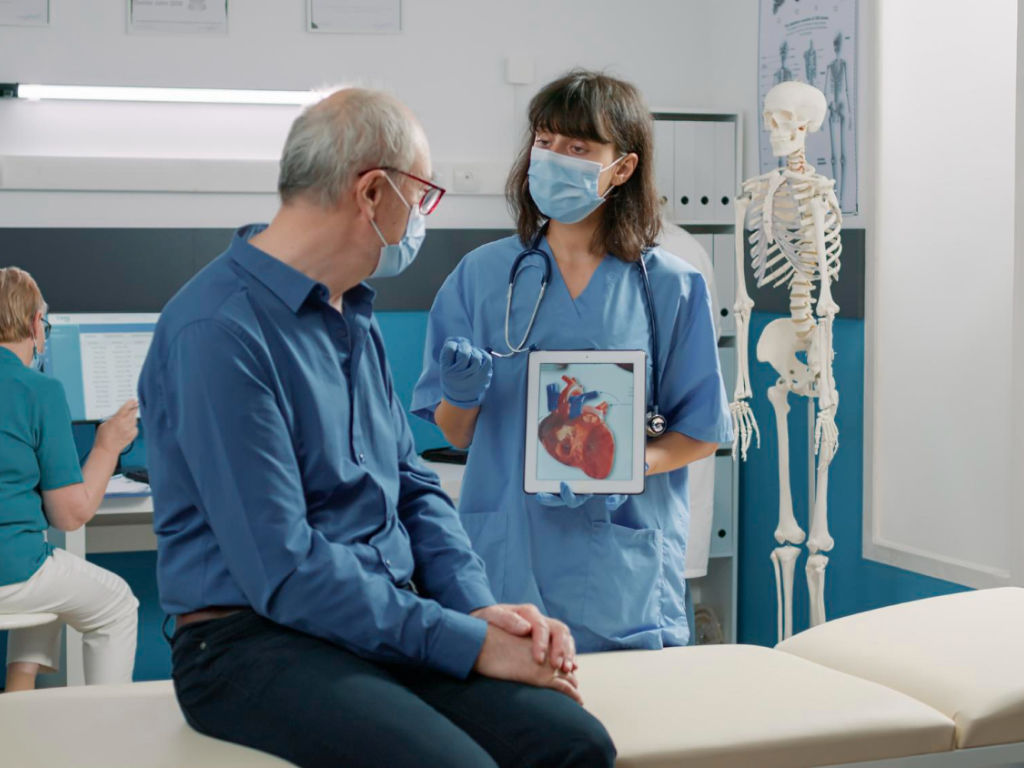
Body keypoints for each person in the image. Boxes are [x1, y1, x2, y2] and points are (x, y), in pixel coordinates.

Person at [138, 88, 615, 768]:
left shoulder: (348, 313)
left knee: (576, 744)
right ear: (372, 193)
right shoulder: (218, 332)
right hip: (252, 641)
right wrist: (466, 645)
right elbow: (284, 567)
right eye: (422, 196)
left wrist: (477, 611)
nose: (422, 216)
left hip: (379, 618)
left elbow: (414, 490)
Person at [411, 70, 733, 652]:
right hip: (506, 552)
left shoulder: (671, 287)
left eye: (578, 148)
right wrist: (460, 395)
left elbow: (699, 434)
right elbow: (456, 434)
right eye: (544, 141)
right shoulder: (482, 278)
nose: (553, 157)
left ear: (623, 167)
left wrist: (620, 468)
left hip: (617, 561)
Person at [0, 267, 139, 692]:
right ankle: (104, 737)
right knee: (116, 602)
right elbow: (69, 515)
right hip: (10, 572)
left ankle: (18, 694)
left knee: (57, 572)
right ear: (34, 324)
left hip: (19, 568)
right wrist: (107, 445)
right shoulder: (38, 390)